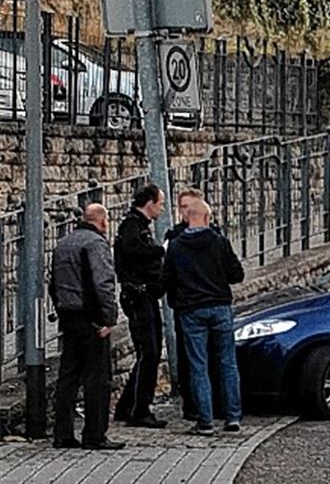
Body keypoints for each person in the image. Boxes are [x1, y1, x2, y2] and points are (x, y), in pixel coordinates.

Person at [162, 195, 245, 436]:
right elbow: (236, 275)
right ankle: (232, 417)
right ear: (207, 217)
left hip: (191, 309)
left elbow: (167, 279)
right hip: (219, 306)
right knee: (227, 363)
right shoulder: (219, 242)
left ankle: (205, 421)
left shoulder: (176, 245)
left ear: (187, 218)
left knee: (198, 366)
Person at [49, 204, 124, 450]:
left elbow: (54, 283)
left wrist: (61, 310)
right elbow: (103, 283)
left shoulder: (63, 244)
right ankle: (94, 434)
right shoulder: (95, 244)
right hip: (91, 318)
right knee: (98, 378)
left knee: (68, 376)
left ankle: (63, 434)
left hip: (69, 316)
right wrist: (108, 318)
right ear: (102, 222)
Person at [113, 183, 168, 429]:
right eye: (160, 203)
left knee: (151, 351)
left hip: (146, 296)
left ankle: (128, 406)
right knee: (149, 352)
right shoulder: (132, 227)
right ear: (149, 204)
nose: (162, 208)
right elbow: (135, 253)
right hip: (138, 296)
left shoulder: (138, 226)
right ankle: (139, 410)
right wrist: (161, 250)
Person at [165, 188, 221, 422]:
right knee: (189, 358)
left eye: (192, 206)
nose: (188, 211)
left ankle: (213, 405)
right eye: (184, 207)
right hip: (185, 304)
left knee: (214, 356)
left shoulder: (215, 236)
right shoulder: (175, 237)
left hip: (208, 301)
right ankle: (193, 405)